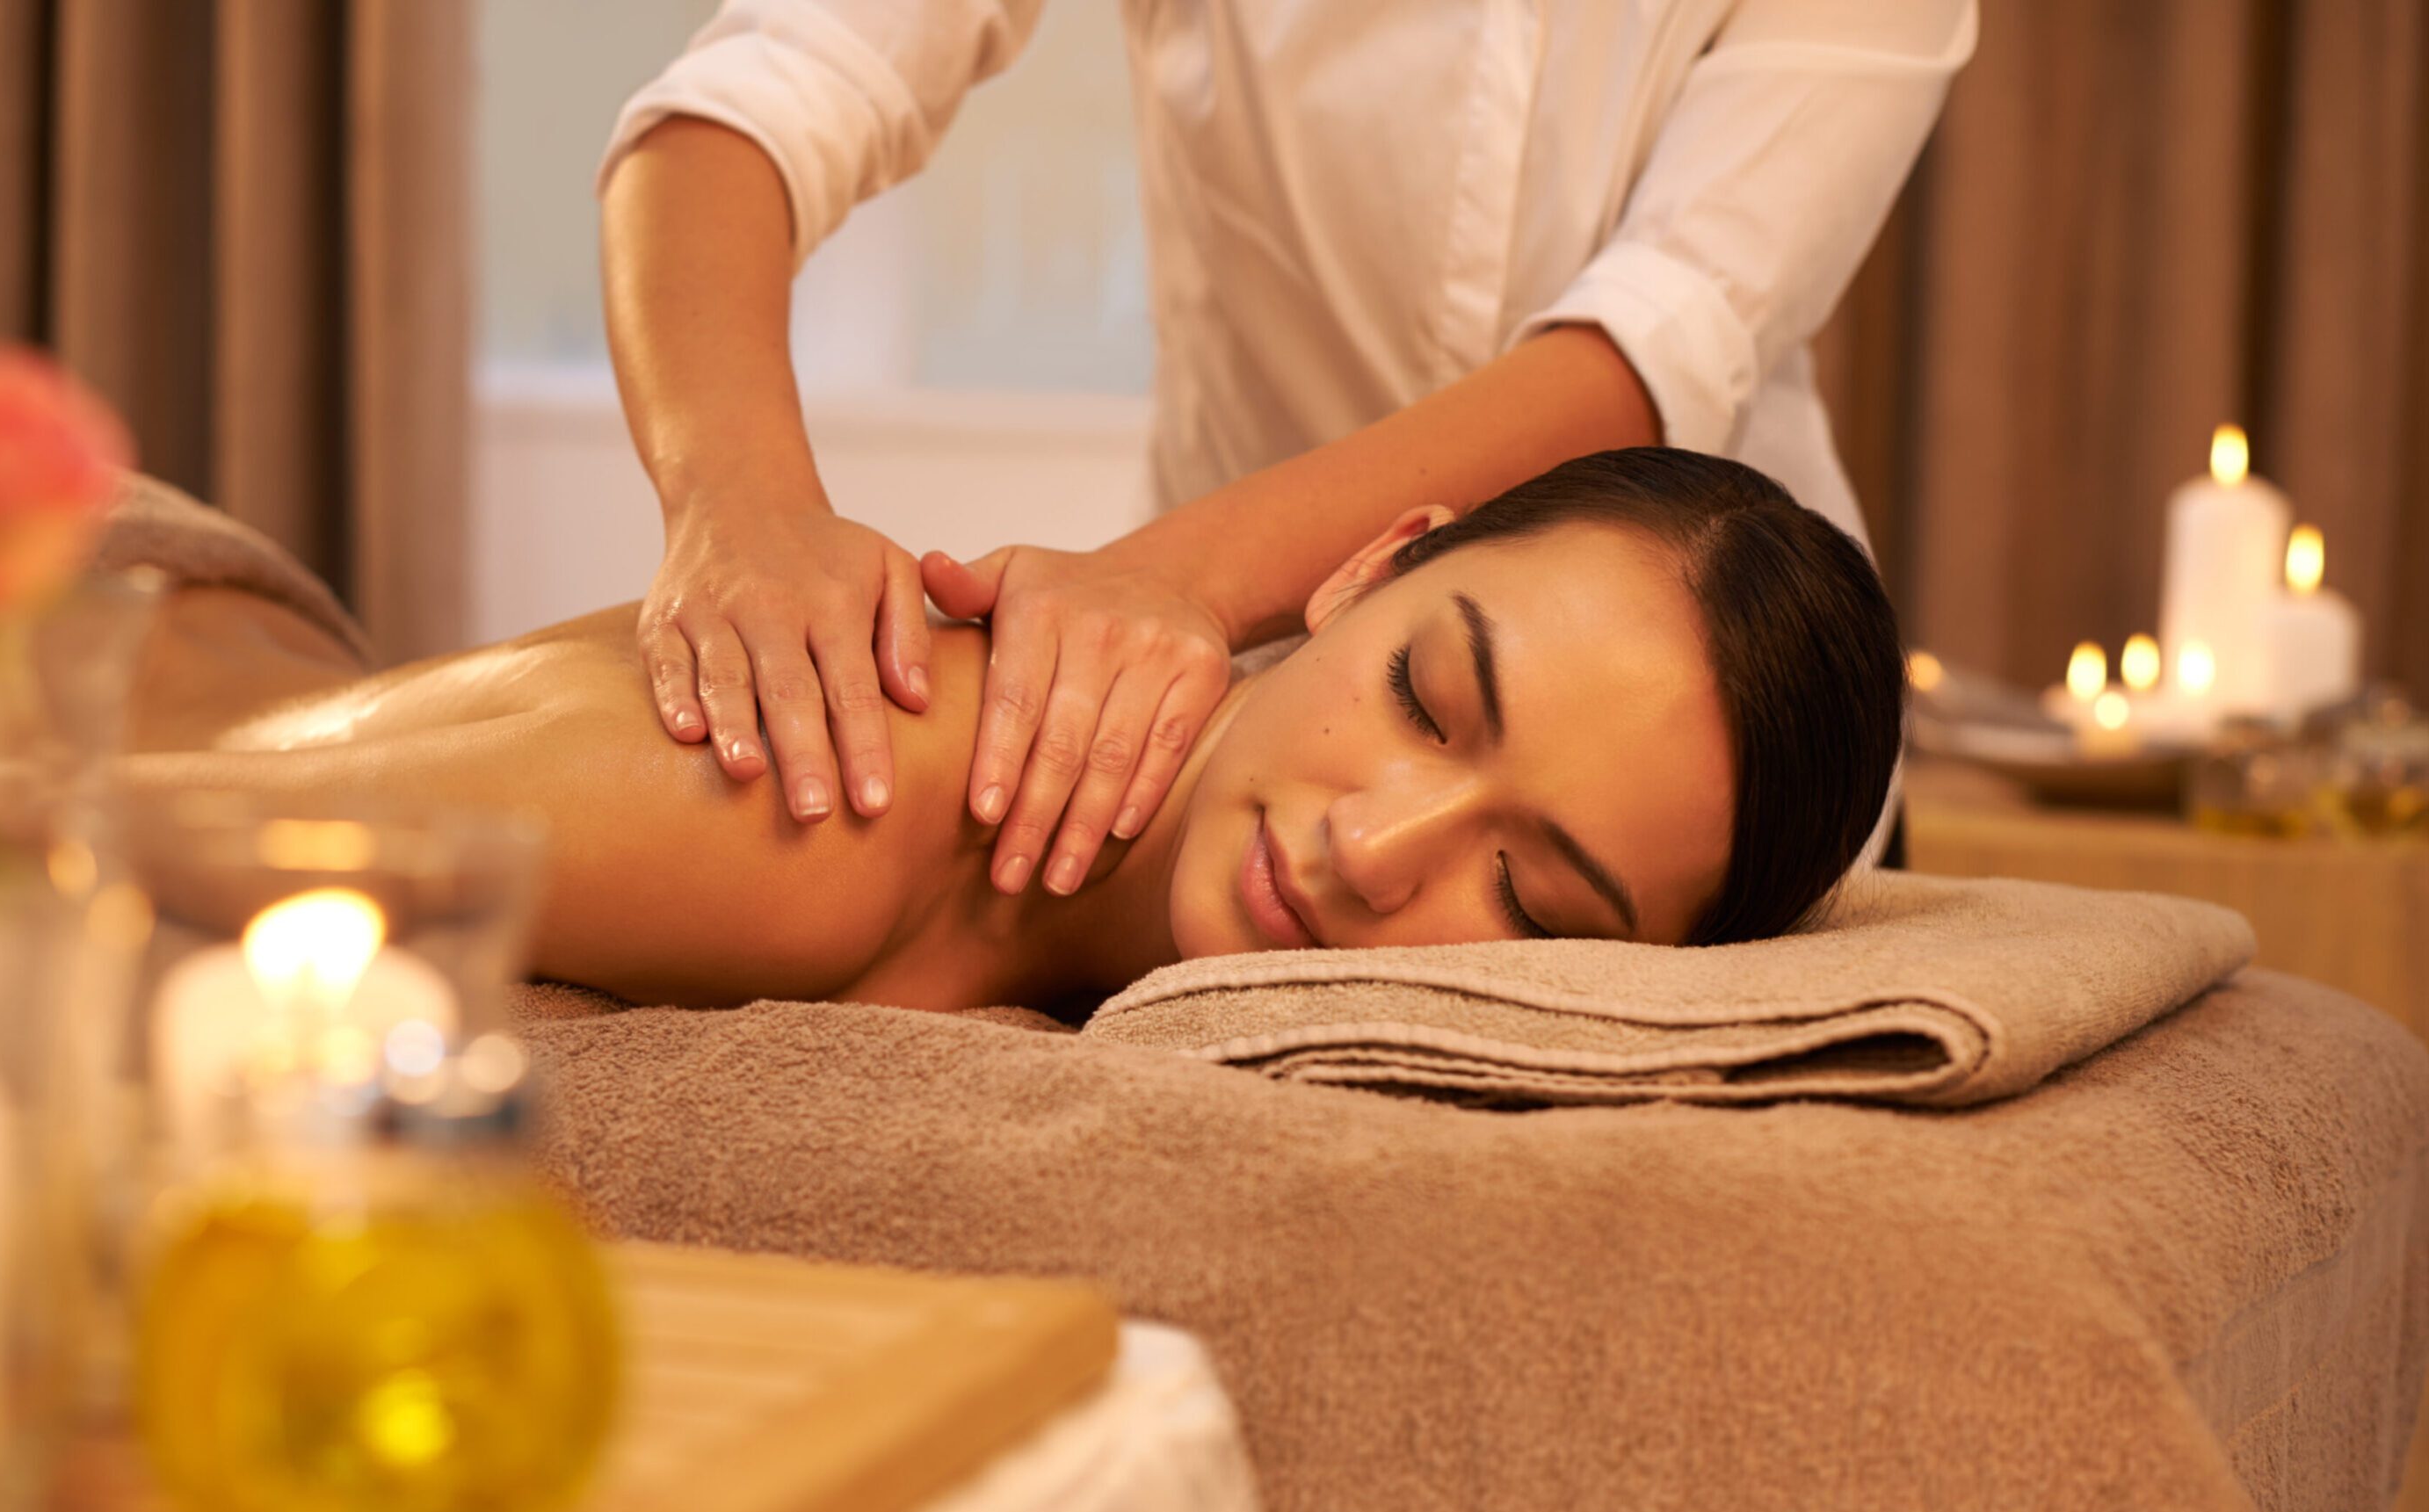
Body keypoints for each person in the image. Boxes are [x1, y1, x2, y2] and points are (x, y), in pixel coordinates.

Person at [598, 0, 1974, 902]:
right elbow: (755, 101)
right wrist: (742, 506)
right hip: (1230, 706)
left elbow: (1648, 352)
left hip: (1693, 788)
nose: (1383, 854)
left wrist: (1163, 590)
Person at [112, 450, 1903, 1015]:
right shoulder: (858, 789)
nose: (1370, 853)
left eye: (1529, 907)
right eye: (1430, 704)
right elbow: (52, 826)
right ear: (1364, 569)